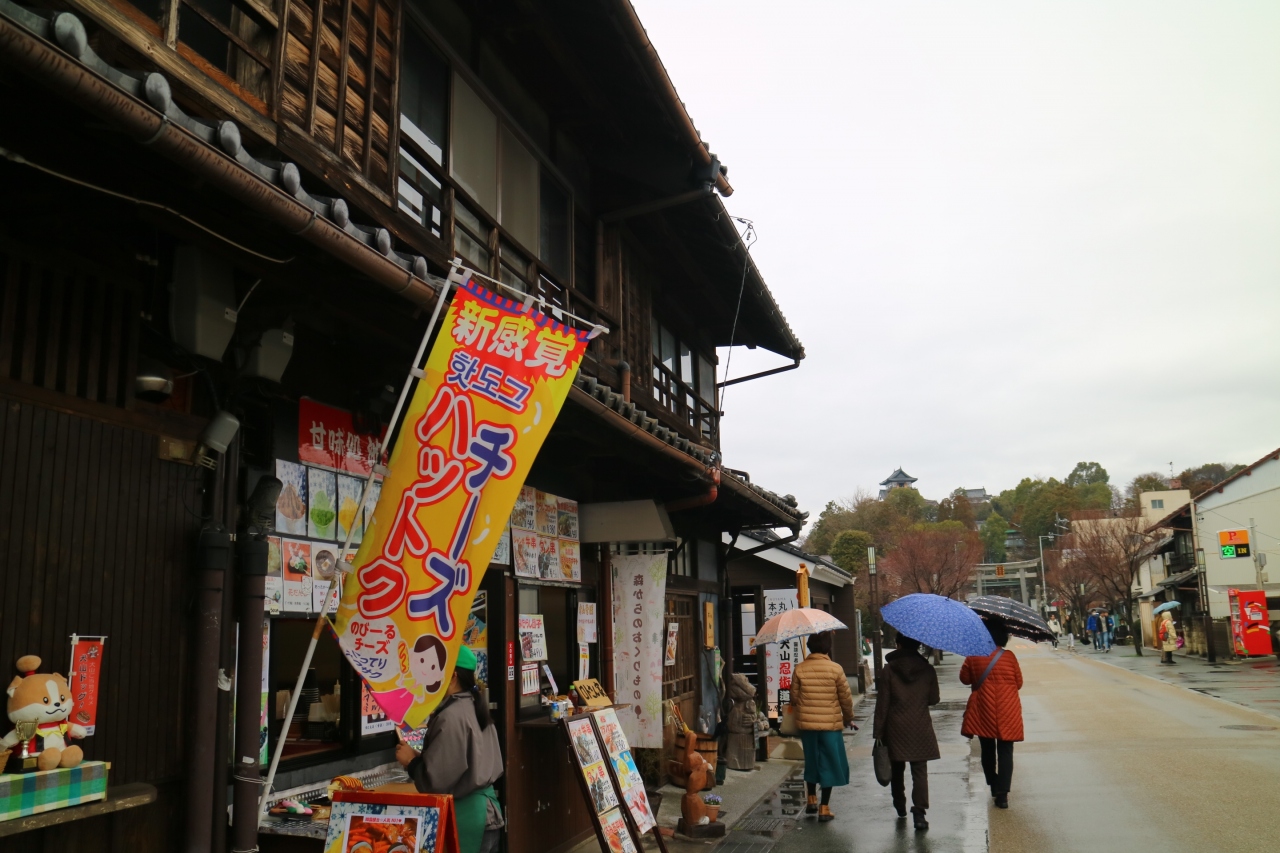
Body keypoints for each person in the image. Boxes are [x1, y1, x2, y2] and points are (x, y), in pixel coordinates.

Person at [396, 646, 504, 853]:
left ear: (452, 676)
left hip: (468, 818)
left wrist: (412, 762)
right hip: (488, 816)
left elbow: (435, 781)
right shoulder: (474, 705)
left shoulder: (451, 715)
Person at [873, 633, 940, 831]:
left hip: (894, 727)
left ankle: (900, 805)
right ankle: (919, 814)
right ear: (918, 644)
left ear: (898, 644)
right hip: (920, 726)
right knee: (919, 770)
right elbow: (934, 699)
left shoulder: (889, 670)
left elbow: (882, 704)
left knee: (897, 768)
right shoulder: (927, 669)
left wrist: (878, 732)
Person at [789, 631, 854, 822]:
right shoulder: (836, 669)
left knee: (812, 760)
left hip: (807, 725)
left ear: (809, 647)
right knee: (829, 763)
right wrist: (848, 718)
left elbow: (793, 698)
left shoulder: (800, 669)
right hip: (830, 726)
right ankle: (824, 808)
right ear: (828, 647)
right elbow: (846, 699)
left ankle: (811, 799)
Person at [960, 620, 1024, 810]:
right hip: (1008, 709)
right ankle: (1003, 795)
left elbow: (964, 679)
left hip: (983, 708)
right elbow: (1018, 683)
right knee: (1006, 751)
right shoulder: (1009, 657)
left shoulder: (974, 656)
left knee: (987, 749)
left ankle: (993, 784)